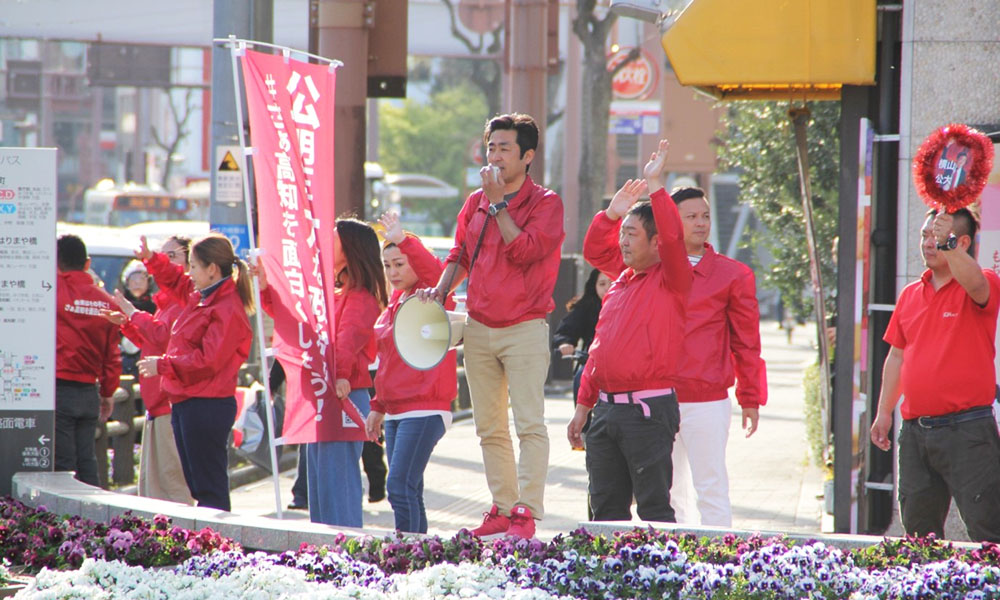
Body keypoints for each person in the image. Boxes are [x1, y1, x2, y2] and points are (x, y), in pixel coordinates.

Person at [418, 113, 564, 539]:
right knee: (489, 427)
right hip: (479, 326)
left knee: (530, 424)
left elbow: (524, 251)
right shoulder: (474, 200)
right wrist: (440, 291)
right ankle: (502, 507)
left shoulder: (546, 203)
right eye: (491, 147)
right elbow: (462, 254)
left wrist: (498, 202)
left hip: (525, 327)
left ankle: (526, 512)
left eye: (504, 148)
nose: (494, 155)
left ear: (528, 156)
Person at [566, 139, 691, 522]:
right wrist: (582, 408)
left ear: (655, 242)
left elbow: (673, 236)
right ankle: (605, 581)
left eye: (631, 233)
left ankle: (661, 581)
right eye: (622, 234)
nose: (622, 240)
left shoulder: (672, 279)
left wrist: (656, 184)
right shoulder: (619, 282)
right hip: (605, 410)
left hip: (648, 411)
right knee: (604, 510)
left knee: (654, 509)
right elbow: (599, 351)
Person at [870, 207, 1000, 542]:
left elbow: (975, 283)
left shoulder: (982, 282)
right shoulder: (910, 294)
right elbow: (897, 357)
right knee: (918, 535)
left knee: (988, 531)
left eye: (937, 236)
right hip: (915, 433)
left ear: (963, 241)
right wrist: (884, 412)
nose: (929, 243)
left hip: (968, 431)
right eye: (925, 235)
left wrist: (950, 246)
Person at [258, 218, 387, 527]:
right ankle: (324, 557)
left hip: (342, 394)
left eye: (333, 239)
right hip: (324, 394)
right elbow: (298, 326)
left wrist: (340, 376)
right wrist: (265, 289)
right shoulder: (335, 295)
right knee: (319, 487)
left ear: (351, 250)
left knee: (336, 487)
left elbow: (346, 341)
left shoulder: (362, 298)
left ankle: (343, 561)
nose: (323, 244)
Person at [667, 187, 766, 527]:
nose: (701, 223)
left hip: (706, 401)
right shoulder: (652, 268)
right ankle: (671, 568)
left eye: (705, 216)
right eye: (691, 216)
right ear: (672, 221)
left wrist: (750, 397)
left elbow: (747, 342)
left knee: (711, 487)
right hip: (656, 398)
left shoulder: (732, 275)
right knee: (667, 493)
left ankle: (717, 566)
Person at [136, 234, 254, 512]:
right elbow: (177, 281)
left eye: (193, 266)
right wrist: (153, 260)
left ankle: (217, 548)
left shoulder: (226, 306)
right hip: (189, 400)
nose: (189, 272)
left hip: (206, 403)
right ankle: (210, 547)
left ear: (212, 268)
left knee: (208, 489)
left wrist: (163, 365)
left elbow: (207, 361)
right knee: (199, 485)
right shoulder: (206, 295)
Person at [365, 212, 457, 533]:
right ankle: (419, 560)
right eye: (387, 265)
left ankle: (406, 558)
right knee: (409, 489)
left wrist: (404, 239)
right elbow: (388, 363)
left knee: (399, 486)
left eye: (400, 264)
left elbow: (436, 271)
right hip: (396, 410)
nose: (392, 272)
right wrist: (377, 407)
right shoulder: (394, 303)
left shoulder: (433, 293)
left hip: (425, 406)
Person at [100, 235, 196, 505]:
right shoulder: (168, 302)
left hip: (170, 401)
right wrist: (127, 323)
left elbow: (164, 336)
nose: (165, 260)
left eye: (172, 256)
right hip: (158, 400)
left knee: (171, 485)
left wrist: (131, 312)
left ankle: (183, 543)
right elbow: (153, 341)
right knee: (156, 487)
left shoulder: (185, 300)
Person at [55, 234, 122, 487]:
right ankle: (92, 522)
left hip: (58, 389)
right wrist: (107, 392)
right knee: (87, 461)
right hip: (88, 392)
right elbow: (112, 356)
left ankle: (65, 524)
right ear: (87, 263)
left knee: (63, 467)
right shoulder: (106, 303)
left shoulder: (53, 292)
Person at [552, 268, 612, 403]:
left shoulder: (630, 305)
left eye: (612, 283)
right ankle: (582, 422)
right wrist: (565, 343)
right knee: (581, 379)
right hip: (592, 361)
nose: (607, 288)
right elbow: (566, 330)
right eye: (602, 284)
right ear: (594, 286)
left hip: (625, 364)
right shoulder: (586, 306)